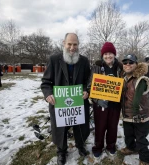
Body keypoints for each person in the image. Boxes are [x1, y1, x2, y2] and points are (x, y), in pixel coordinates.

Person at [41, 33, 91, 165]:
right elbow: (46, 82)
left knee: (80, 125)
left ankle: (80, 145)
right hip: (59, 103)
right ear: (64, 43)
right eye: (69, 44)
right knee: (60, 128)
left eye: (75, 44)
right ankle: (61, 151)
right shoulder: (54, 59)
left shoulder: (84, 61)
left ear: (78, 45)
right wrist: (48, 94)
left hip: (78, 102)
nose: (72, 47)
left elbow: (88, 80)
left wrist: (87, 90)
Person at [88, 42, 123, 158]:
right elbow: (90, 85)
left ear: (114, 54)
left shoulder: (120, 67)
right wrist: (97, 100)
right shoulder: (97, 67)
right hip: (100, 104)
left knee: (113, 126)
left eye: (110, 53)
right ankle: (98, 146)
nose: (108, 56)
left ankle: (111, 145)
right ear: (102, 55)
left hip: (115, 103)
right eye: (106, 54)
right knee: (100, 126)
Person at [120, 54, 149, 165]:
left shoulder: (141, 79)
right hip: (127, 115)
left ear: (136, 64)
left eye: (131, 62)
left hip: (139, 116)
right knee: (128, 135)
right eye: (125, 62)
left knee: (140, 138)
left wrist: (136, 114)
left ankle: (145, 158)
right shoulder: (124, 79)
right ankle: (131, 148)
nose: (128, 64)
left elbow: (136, 100)